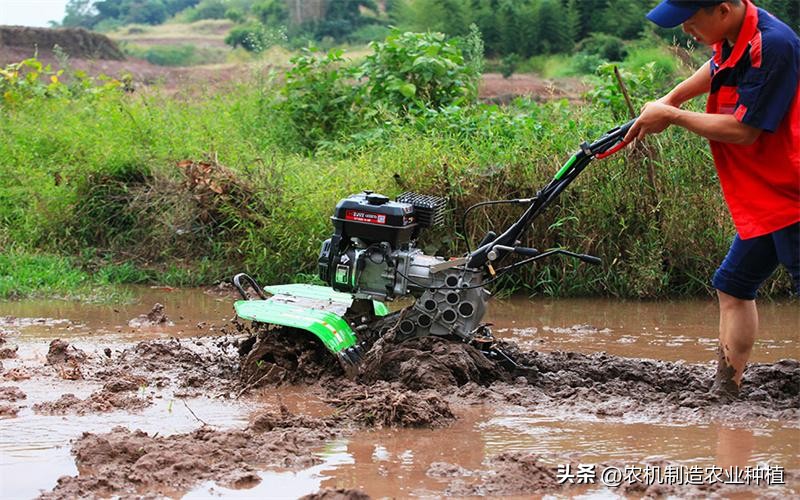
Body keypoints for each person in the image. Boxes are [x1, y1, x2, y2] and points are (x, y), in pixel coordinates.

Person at [624, 0, 799, 398]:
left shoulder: (774, 44)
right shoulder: (735, 36)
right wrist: (673, 98)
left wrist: (673, 117)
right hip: (768, 194)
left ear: (722, 9)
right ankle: (726, 389)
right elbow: (719, 69)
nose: (686, 32)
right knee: (733, 285)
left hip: (792, 193)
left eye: (690, 21)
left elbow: (744, 130)